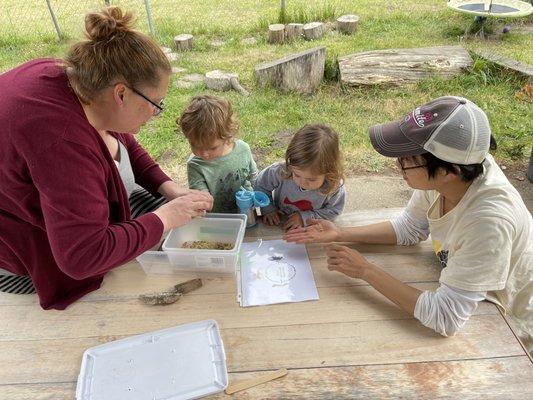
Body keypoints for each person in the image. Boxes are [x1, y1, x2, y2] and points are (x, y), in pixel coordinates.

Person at [0, 6, 213, 309]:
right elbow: (82, 256)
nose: (156, 113)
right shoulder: (62, 143)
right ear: (121, 94)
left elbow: (116, 133)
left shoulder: (75, 81)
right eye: (156, 103)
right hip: (22, 256)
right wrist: (165, 217)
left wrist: (167, 187)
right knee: (144, 263)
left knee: (162, 221)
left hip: (44, 202)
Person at [284, 97, 532, 352]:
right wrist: (340, 233)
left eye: (407, 159)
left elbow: (445, 317)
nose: (398, 165)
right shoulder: (449, 175)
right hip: (465, 289)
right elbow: (410, 229)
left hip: (510, 325)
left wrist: (365, 271)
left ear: (449, 171)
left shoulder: (488, 222)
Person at [254, 124, 346, 231]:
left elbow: (334, 211)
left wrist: (305, 217)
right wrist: (268, 209)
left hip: (310, 229)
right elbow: (260, 185)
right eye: (297, 175)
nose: (302, 182)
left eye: (311, 179)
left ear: (329, 172)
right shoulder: (282, 170)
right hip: (279, 221)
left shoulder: (334, 185)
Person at [178, 95, 257, 213]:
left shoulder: (243, 150)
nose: (204, 154)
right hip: (217, 219)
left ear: (227, 136)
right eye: (196, 146)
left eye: (212, 148)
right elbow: (201, 198)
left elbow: (254, 177)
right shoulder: (195, 165)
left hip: (246, 213)